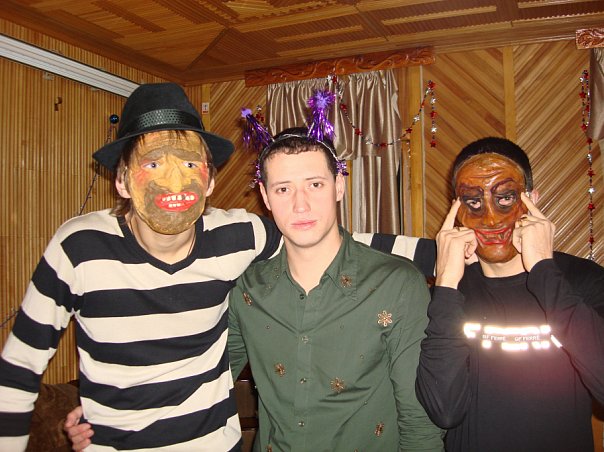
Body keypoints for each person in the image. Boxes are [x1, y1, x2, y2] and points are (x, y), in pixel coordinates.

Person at [0, 83, 435, 451]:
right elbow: (17, 372)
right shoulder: (79, 247)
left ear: (209, 179)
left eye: (189, 164)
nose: (173, 181)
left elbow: (320, 235)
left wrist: (448, 254)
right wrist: (97, 404)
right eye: (153, 163)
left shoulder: (235, 237)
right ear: (122, 179)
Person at [227, 129, 443, 451]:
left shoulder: (397, 284)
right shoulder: (247, 289)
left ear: (339, 186)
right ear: (266, 196)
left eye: (315, 185)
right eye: (284, 189)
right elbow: (208, 382)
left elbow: (419, 421)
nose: (300, 205)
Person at [415, 137, 604, 451]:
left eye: (505, 198)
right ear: (457, 210)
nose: (490, 218)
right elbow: (444, 410)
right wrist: (446, 284)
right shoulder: (451, 293)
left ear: (532, 200)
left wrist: (544, 270)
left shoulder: (582, 280)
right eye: (473, 201)